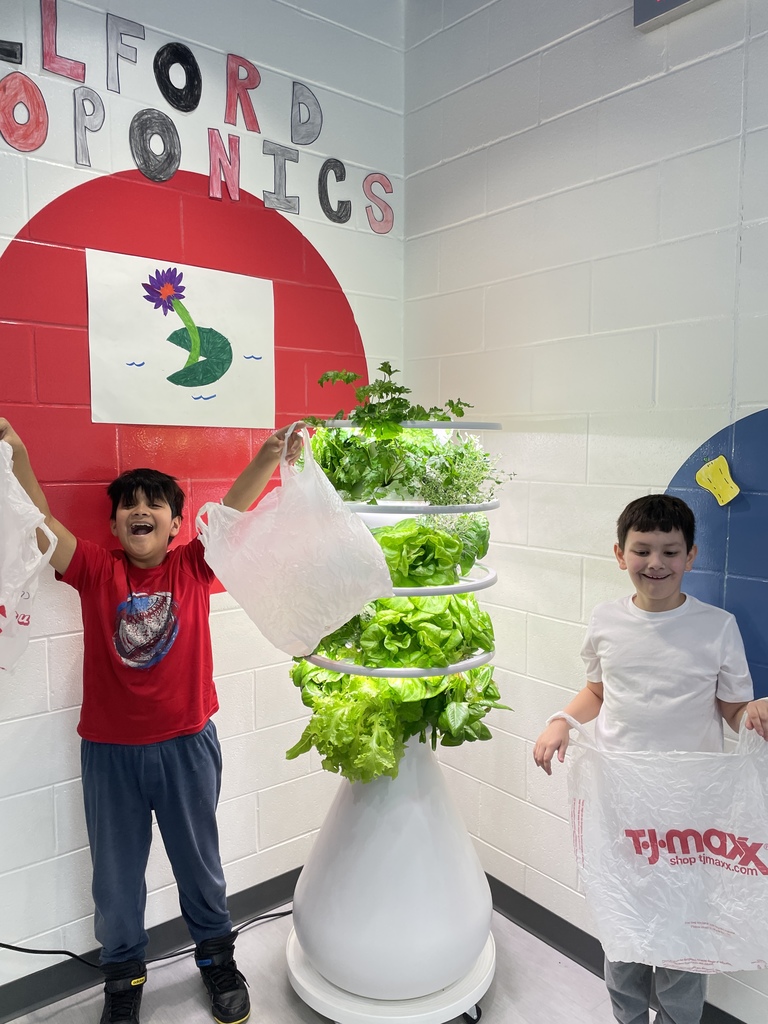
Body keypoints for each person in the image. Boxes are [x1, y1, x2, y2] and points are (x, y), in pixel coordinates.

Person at [0, 416, 304, 1024]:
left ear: (175, 523)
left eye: (156, 504)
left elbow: (234, 512)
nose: (142, 511)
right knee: (115, 881)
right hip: (110, 754)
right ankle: (123, 976)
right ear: (114, 526)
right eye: (129, 506)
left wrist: (271, 456)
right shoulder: (94, 570)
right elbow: (40, 528)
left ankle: (217, 958)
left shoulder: (194, 567)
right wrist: (17, 451)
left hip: (188, 745)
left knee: (200, 864)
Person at [532, 493, 768, 1024]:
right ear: (620, 554)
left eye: (670, 551)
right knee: (623, 920)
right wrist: (561, 721)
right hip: (619, 800)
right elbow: (596, 692)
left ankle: (682, 1017)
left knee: (685, 926)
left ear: (691, 556)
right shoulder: (605, 621)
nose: (655, 563)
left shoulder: (717, 627)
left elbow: (731, 708)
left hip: (690, 806)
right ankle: (629, 1016)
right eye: (642, 550)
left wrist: (753, 717)